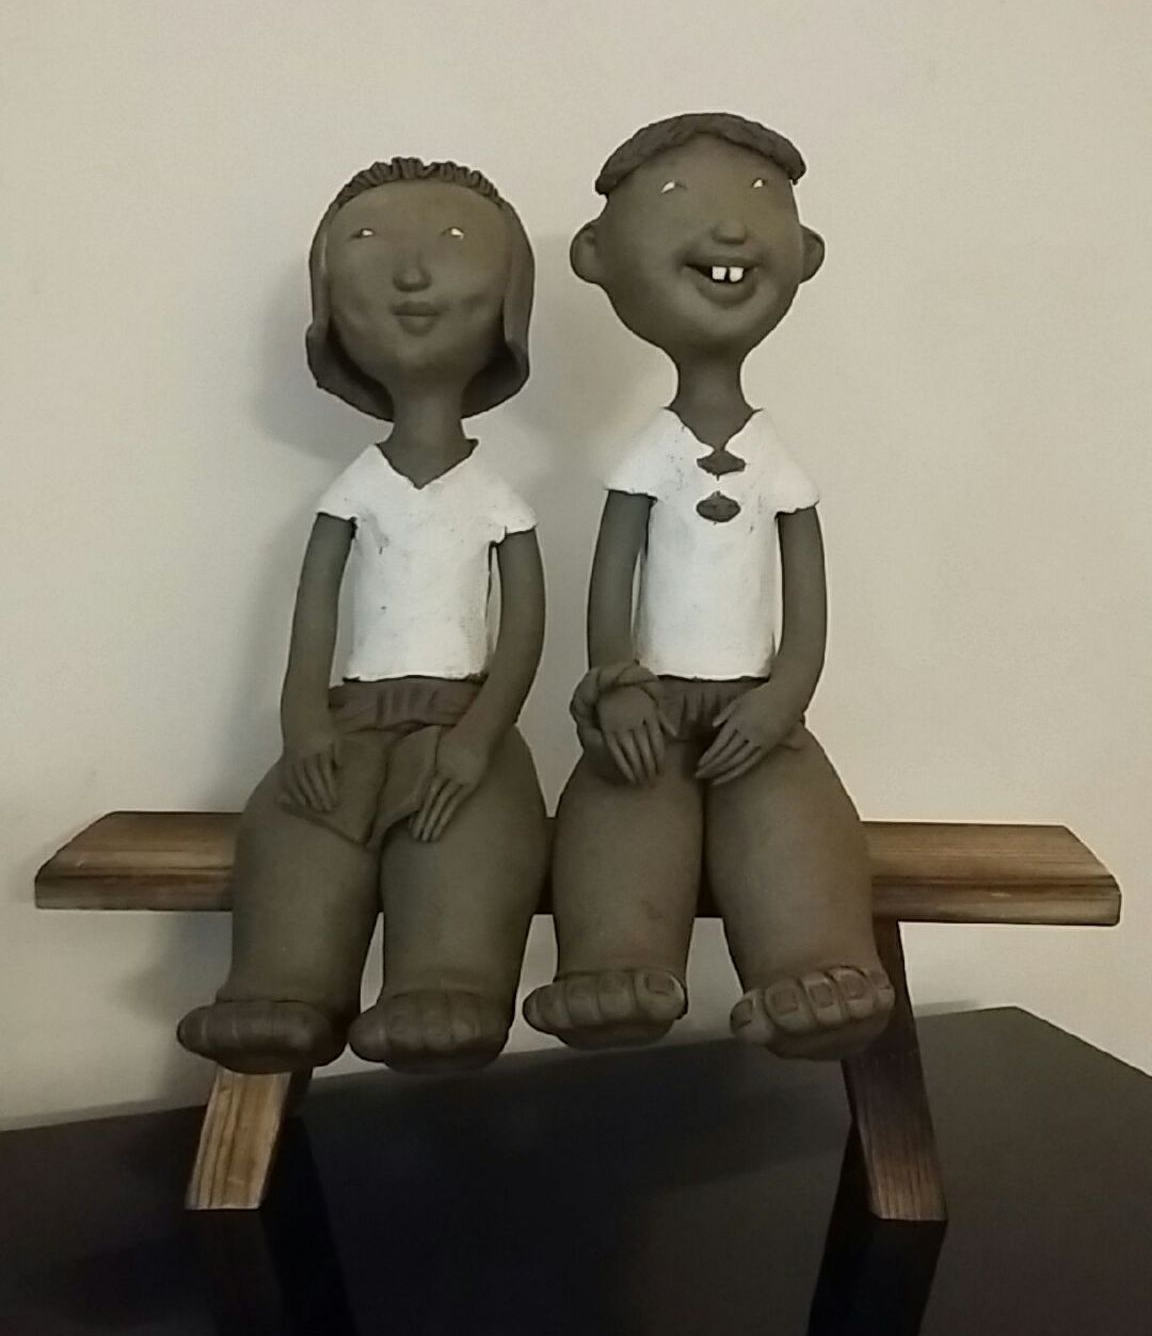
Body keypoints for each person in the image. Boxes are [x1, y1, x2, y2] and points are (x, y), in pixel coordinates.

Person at [524, 114, 892, 1061]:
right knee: (623, 790)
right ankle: (614, 961)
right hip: (653, 698)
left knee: (790, 801)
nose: (730, 229)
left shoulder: (778, 466)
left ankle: (817, 962)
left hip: (755, 703)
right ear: (597, 258)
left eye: (761, 204)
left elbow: (806, 606)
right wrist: (616, 683)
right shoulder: (646, 460)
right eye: (679, 200)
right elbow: (611, 585)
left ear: (806, 255)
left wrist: (785, 697)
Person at [179, 158, 547, 1077]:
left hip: (459, 721)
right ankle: (285, 984)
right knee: (295, 825)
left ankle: (449, 982)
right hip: (350, 719)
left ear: (510, 306)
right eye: (371, 244)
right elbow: (314, 615)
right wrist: (303, 725)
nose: (412, 275)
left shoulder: (495, 499)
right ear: (328, 308)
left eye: (454, 244)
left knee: (467, 829)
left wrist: (478, 740)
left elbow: (523, 631)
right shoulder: (355, 493)